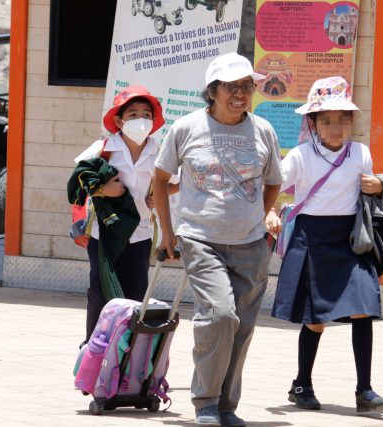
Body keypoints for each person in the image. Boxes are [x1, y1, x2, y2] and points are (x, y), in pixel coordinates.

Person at [154, 52, 283, 426]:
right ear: (212, 91)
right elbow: (160, 180)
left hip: (250, 243)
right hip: (200, 238)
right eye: (232, 87)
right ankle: (205, 401)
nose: (241, 93)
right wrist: (167, 231)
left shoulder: (262, 131)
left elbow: (274, 180)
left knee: (241, 325)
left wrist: (257, 217)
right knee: (220, 315)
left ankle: (226, 406)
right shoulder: (186, 128)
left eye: (247, 86)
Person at [269, 76, 383, 413]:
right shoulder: (299, 156)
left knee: (364, 307)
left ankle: (364, 391)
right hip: (312, 238)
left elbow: (371, 196)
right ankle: (302, 383)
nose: (336, 127)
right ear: (313, 124)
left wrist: (376, 186)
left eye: (343, 119)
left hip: (351, 241)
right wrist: (269, 211)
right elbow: (273, 184)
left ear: (351, 121)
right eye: (326, 120)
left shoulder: (361, 154)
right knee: (316, 319)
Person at [71, 85, 177, 344]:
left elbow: (175, 181)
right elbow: (78, 181)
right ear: (119, 121)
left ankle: (127, 352)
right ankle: (94, 348)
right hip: (104, 234)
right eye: (133, 115)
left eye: (146, 114)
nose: (141, 120)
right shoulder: (103, 148)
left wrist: (160, 193)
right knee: (100, 291)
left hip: (140, 234)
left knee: (135, 294)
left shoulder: (159, 151)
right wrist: (103, 190)